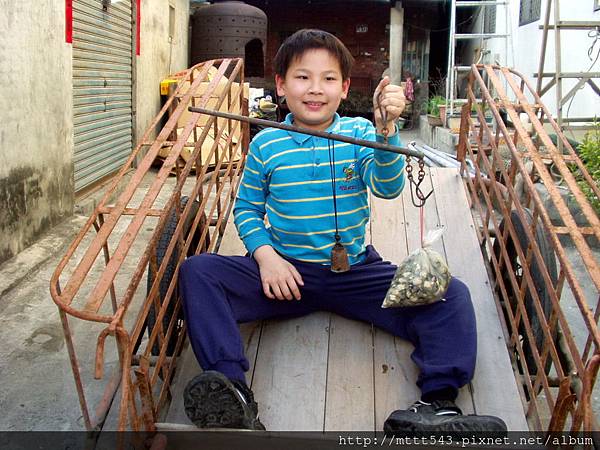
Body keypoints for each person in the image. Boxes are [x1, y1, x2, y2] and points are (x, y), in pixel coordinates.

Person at [178, 29, 507, 433]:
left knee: (451, 294)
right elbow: (246, 209)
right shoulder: (267, 144)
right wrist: (266, 258)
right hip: (285, 275)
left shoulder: (360, 133)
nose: (315, 89)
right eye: (302, 77)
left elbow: (387, 187)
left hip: (353, 273)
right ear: (281, 85)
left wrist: (387, 131)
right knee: (197, 271)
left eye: (329, 78)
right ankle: (232, 392)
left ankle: (437, 404)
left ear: (345, 87)